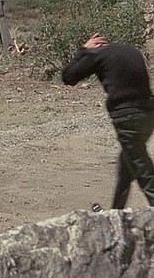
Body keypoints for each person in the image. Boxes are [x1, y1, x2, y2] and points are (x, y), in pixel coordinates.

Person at [61, 33, 154, 209]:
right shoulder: (131, 50)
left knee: (144, 172)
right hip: (148, 116)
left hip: (126, 118)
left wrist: (84, 50)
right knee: (126, 168)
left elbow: (68, 77)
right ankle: (116, 213)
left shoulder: (98, 55)